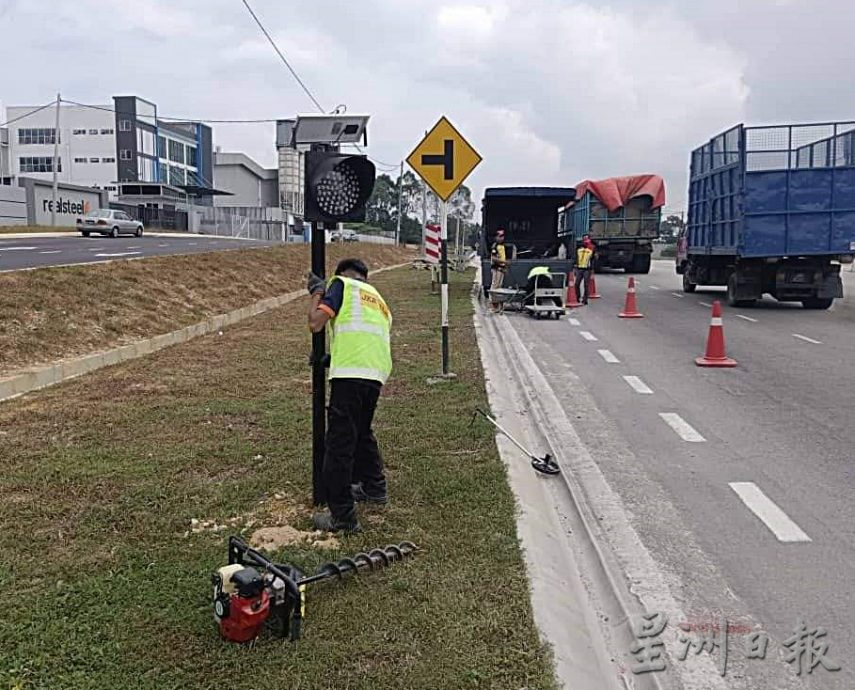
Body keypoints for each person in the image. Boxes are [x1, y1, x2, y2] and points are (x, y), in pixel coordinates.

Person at [306, 258, 392, 533]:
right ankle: (374, 487)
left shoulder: (340, 284)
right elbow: (363, 338)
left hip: (350, 376)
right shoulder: (377, 298)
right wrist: (330, 357)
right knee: (362, 431)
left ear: (343, 274)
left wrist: (317, 292)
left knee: (340, 444)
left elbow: (316, 323)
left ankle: (342, 516)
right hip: (375, 373)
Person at [489, 228, 509, 312]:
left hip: (501, 269)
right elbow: (493, 258)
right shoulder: (495, 246)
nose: (502, 238)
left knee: (499, 287)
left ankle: (498, 305)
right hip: (496, 269)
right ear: (496, 237)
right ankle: (493, 305)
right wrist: (503, 262)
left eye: (503, 236)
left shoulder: (503, 246)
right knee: (495, 287)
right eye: (500, 236)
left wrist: (505, 266)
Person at [574, 236, 595, 305]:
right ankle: (577, 297)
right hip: (579, 269)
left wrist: (592, 268)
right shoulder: (578, 250)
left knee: (586, 285)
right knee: (576, 284)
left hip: (587, 269)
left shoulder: (591, 250)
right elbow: (576, 258)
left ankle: (585, 299)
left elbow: (593, 260)